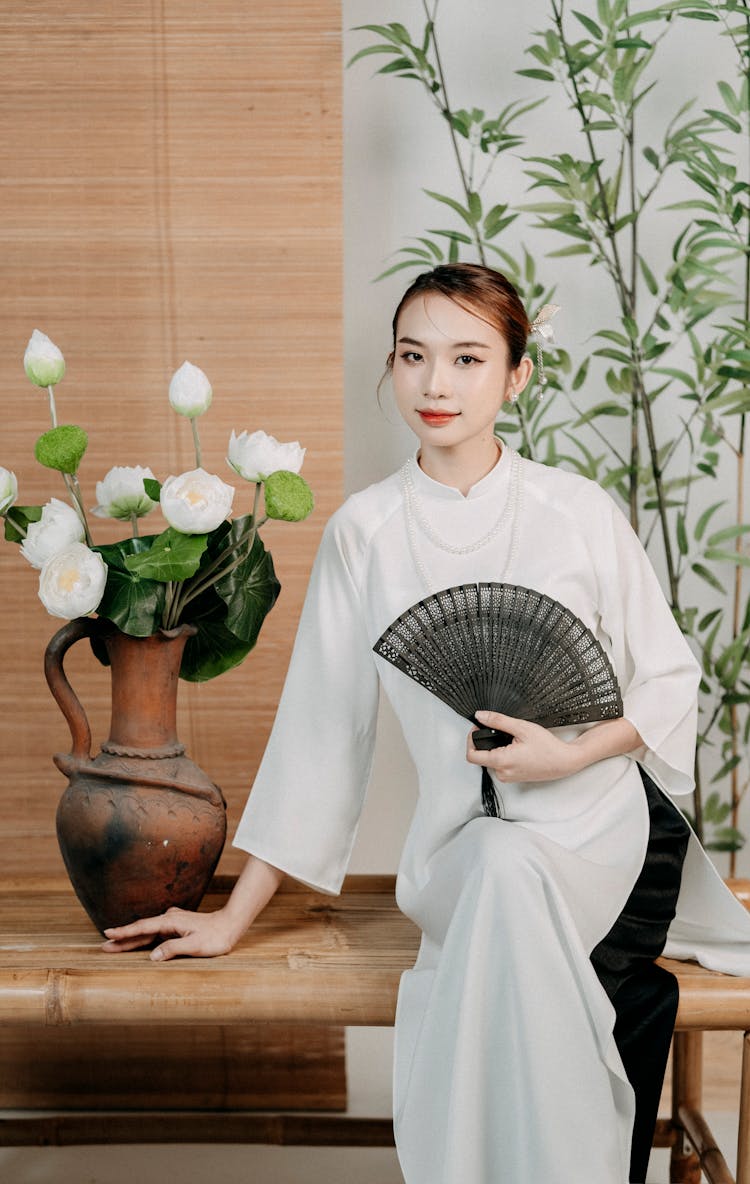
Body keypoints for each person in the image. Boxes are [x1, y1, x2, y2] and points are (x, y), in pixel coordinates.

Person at [103, 264, 750, 1184]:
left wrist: (571, 751)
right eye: (414, 356)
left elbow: (671, 682)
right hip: (463, 848)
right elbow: (321, 737)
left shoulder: (578, 512)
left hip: (607, 834)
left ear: (516, 376)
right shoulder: (365, 532)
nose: (435, 384)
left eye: (467, 358)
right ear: (393, 367)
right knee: (496, 863)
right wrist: (232, 918)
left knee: (514, 871)